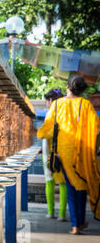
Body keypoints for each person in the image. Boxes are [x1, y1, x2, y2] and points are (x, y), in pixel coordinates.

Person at [37, 75, 100, 234]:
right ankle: (79, 221)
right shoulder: (86, 104)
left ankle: (75, 225)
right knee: (81, 186)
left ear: (67, 87)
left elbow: (47, 128)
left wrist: (39, 133)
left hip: (63, 153)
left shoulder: (58, 104)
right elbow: (96, 127)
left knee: (72, 187)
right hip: (82, 152)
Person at [42, 89, 67, 221]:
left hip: (50, 153)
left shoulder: (49, 115)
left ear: (51, 101)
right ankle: (62, 214)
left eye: (47, 100)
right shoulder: (66, 114)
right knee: (63, 184)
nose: (46, 103)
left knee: (49, 182)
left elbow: (46, 138)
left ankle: (51, 212)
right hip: (63, 153)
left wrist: (46, 154)